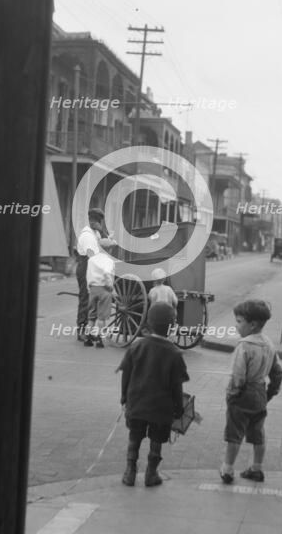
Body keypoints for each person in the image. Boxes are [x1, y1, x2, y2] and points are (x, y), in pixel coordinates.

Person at [117, 302, 189, 487]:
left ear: (148, 323)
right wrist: (178, 408)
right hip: (161, 408)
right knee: (157, 439)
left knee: (135, 436)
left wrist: (124, 397)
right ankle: (151, 474)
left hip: (137, 403)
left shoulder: (136, 347)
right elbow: (176, 386)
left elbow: (126, 375)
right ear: (171, 326)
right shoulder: (174, 354)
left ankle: (130, 472)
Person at [220, 300, 282, 485]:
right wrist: (271, 392)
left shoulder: (244, 346)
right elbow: (277, 371)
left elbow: (238, 375)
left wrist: (232, 393)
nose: (236, 325)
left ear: (252, 324)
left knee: (234, 433)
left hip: (243, 394)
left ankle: (228, 469)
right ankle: (257, 468)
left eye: (239, 321)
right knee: (258, 432)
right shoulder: (269, 344)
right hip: (260, 393)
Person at [75, 208, 116, 341]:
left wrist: (104, 233)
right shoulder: (87, 235)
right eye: (96, 222)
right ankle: (81, 329)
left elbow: (104, 242)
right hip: (87, 266)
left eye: (99, 222)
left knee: (94, 300)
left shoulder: (96, 232)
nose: (98, 225)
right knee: (85, 298)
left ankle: (91, 330)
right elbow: (92, 257)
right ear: (91, 221)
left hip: (94, 266)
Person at [84, 246, 115, 348]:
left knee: (91, 316)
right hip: (104, 289)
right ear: (109, 249)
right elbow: (107, 273)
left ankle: (87, 338)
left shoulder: (91, 260)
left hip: (93, 288)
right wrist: (110, 285)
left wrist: (90, 288)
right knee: (101, 317)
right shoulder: (108, 261)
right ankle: (99, 340)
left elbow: (88, 275)